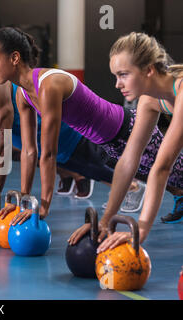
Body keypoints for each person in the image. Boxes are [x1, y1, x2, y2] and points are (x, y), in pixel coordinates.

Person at [0, 27, 182, 223]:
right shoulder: (22, 94)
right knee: (158, 175)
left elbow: (49, 153)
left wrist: (43, 207)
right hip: (107, 144)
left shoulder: (48, 85)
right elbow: (28, 150)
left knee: (173, 169)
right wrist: (24, 201)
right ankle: (180, 195)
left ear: (14, 58)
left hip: (126, 127)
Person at [0, 39, 125, 218]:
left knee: (130, 174)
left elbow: (1, 145)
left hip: (73, 141)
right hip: (56, 154)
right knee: (118, 178)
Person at [72, 32, 183, 252]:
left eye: (123, 75)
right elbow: (128, 161)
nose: (117, 84)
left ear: (149, 70)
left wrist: (141, 228)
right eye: (115, 76)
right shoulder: (149, 100)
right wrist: (105, 221)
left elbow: (162, 167)